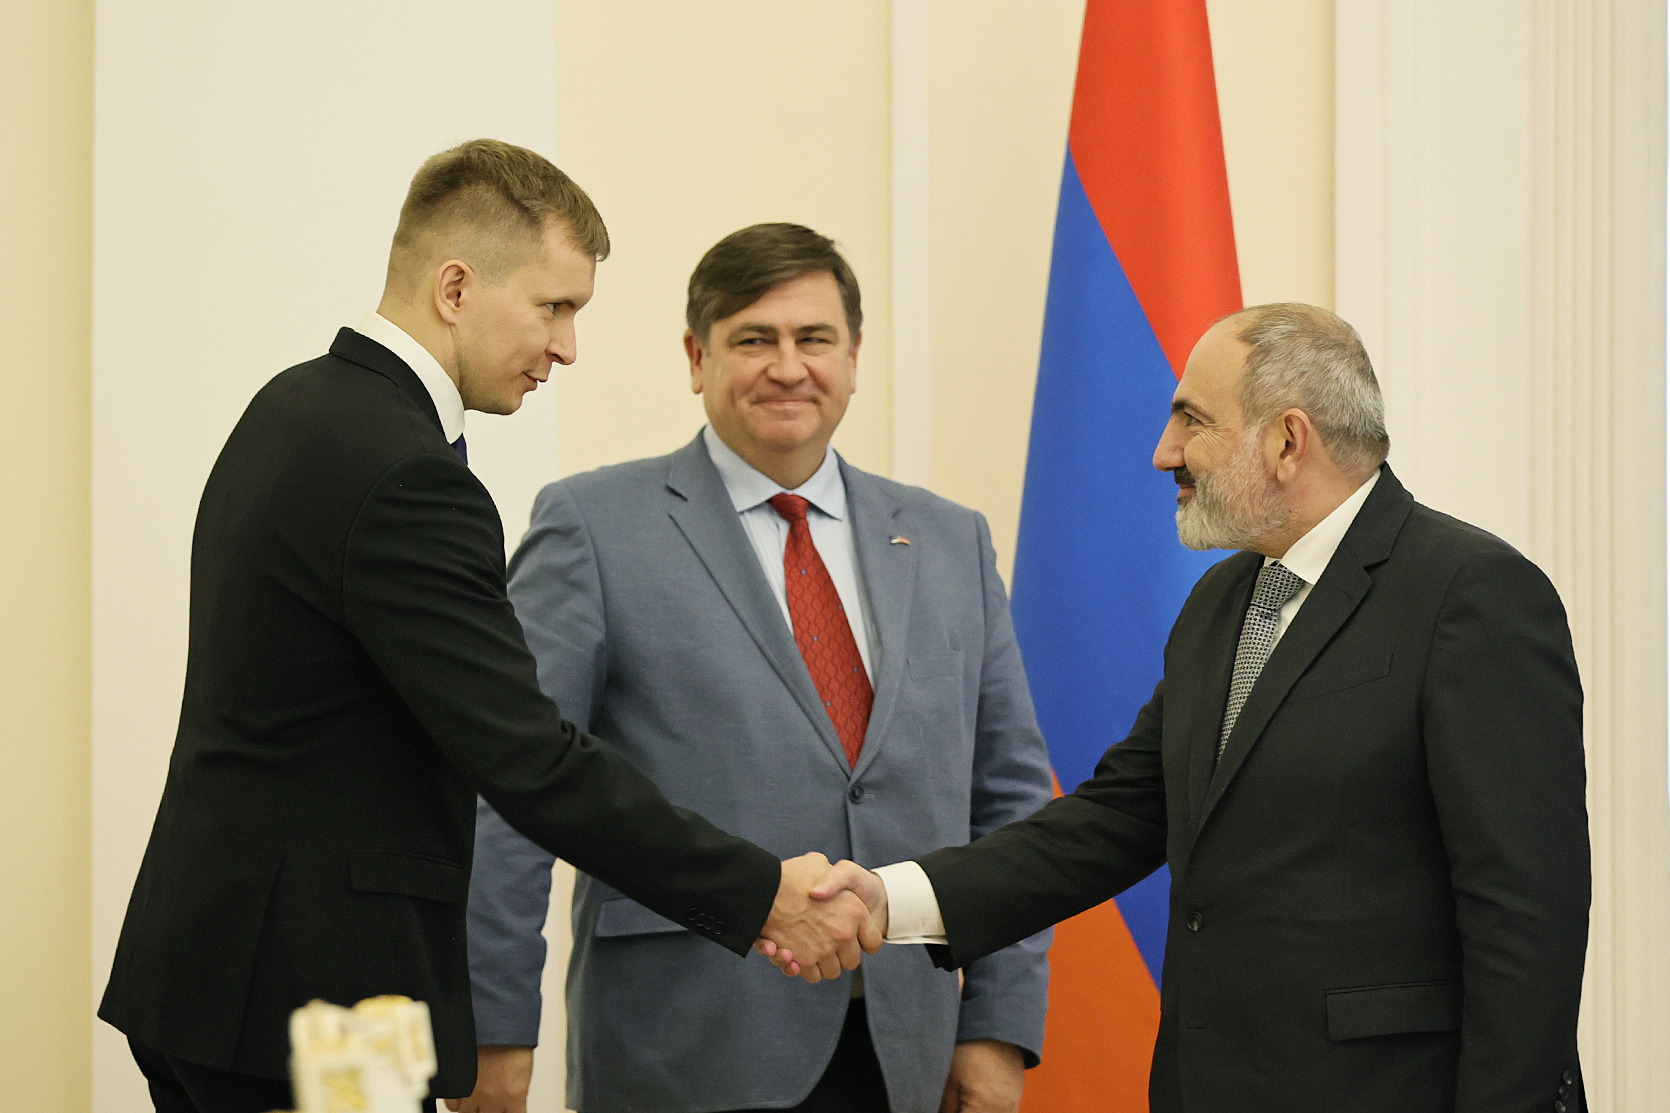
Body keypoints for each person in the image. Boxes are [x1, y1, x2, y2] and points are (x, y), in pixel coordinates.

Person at [98, 142, 874, 1113]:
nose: (567, 346)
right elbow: (530, 759)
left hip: (209, 975)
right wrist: (759, 893)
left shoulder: (295, 406)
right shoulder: (408, 475)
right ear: (456, 288)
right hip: (325, 1010)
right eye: (554, 307)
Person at [796, 304, 1591, 1113]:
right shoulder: (1222, 600)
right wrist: (893, 897)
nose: (1163, 452)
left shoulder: (1471, 594)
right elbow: (1114, 818)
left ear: (1288, 441)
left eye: (1192, 420)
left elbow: (1527, 918)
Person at [458, 223, 1055, 1113]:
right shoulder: (592, 525)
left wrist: (998, 1025)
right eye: (753, 340)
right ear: (696, 358)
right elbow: (510, 790)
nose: (788, 367)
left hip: (906, 1052)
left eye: (814, 338)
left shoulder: (948, 539)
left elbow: (1011, 800)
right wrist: (493, 1026)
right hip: (684, 1046)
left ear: (854, 357)